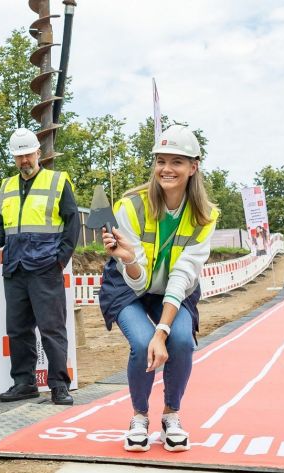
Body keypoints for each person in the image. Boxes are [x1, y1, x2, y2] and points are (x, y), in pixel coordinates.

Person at [99, 125, 218, 452]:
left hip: (173, 291)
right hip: (128, 285)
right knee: (141, 343)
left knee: (181, 341)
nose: (167, 169)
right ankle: (139, 417)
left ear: (193, 167)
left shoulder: (205, 216)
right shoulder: (130, 207)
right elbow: (137, 280)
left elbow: (182, 276)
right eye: (161, 161)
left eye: (177, 161)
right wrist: (128, 259)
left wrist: (162, 331)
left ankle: (171, 415)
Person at [0, 128, 80, 406]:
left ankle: (59, 385)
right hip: (15, 267)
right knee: (17, 329)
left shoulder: (57, 182)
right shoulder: (5, 187)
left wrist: (60, 259)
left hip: (45, 267)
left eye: (28, 154)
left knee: (52, 328)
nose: (24, 160)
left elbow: (73, 223)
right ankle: (24, 383)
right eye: (19, 156)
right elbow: (2, 225)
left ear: (38, 152)